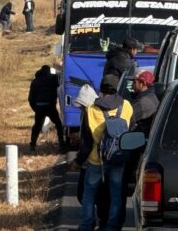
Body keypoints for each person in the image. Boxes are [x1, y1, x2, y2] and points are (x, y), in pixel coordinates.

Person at [74, 74, 133, 231]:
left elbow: (86, 142)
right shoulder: (126, 105)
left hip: (96, 160)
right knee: (116, 195)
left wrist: (78, 161)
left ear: (101, 89)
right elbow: (130, 131)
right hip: (119, 158)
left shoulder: (91, 109)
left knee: (89, 195)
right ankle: (112, 226)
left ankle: (87, 225)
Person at [28, 65, 64, 152]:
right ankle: (62, 144)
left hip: (39, 106)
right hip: (50, 106)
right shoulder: (53, 78)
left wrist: (35, 108)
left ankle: (32, 144)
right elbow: (61, 81)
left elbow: (30, 98)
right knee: (59, 125)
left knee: (37, 126)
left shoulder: (35, 81)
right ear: (48, 71)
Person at [130, 70, 159, 135]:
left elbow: (127, 119)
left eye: (134, 82)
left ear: (143, 83)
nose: (132, 85)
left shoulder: (141, 103)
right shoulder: (153, 97)